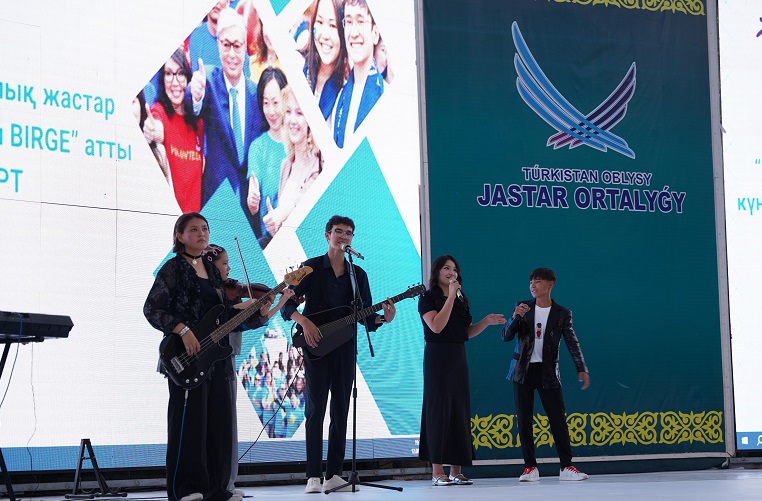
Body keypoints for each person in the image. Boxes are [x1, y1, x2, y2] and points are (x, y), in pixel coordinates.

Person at [143, 213, 272, 501]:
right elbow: (152, 309)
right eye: (194, 229)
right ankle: (186, 489)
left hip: (216, 359)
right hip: (186, 357)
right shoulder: (173, 269)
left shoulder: (212, 272)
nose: (201, 234)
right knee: (189, 425)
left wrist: (256, 314)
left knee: (218, 426)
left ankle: (216, 489)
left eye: (205, 229)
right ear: (180, 236)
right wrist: (182, 330)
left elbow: (224, 318)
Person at [281, 215, 396, 494]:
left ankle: (333, 474)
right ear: (327, 235)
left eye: (348, 233)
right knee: (315, 409)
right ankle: (312, 476)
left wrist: (384, 318)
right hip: (316, 346)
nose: (344, 236)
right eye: (338, 231)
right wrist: (304, 321)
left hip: (345, 346)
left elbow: (365, 317)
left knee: (341, 409)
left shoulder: (358, 275)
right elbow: (285, 304)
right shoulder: (310, 267)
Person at [204, 244, 294, 493]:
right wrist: (250, 307)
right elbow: (236, 319)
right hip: (209, 360)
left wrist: (271, 304)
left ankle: (224, 482)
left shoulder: (230, 291)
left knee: (225, 423)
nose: (229, 269)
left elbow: (252, 322)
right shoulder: (208, 294)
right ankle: (216, 483)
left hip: (226, 358)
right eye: (224, 264)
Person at [418, 255, 506, 486]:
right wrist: (449, 297)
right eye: (446, 268)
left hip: (458, 356)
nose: (451, 273)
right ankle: (437, 471)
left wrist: (485, 322)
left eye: (455, 269)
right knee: (439, 410)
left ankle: (456, 471)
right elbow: (437, 326)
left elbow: (465, 332)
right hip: (437, 356)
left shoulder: (461, 298)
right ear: (437, 272)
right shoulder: (427, 298)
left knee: (459, 410)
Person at [501, 268, 590, 482]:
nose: (533, 285)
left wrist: (581, 367)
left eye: (538, 281)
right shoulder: (522, 307)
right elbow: (505, 336)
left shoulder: (562, 313)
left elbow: (572, 341)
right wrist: (515, 317)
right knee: (524, 421)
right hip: (522, 371)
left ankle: (566, 466)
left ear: (551, 284)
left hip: (548, 372)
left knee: (558, 419)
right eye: (531, 282)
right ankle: (530, 467)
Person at [189, 7, 264, 213]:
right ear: (218, 45)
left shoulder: (256, 93)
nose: (231, 54)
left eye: (237, 46)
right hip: (217, 198)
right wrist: (195, 94)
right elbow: (191, 104)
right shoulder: (209, 81)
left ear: (245, 48)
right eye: (226, 45)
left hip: (248, 203)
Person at [144, 48, 205, 213]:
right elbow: (156, 127)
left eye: (180, 73)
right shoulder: (159, 112)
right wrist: (151, 130)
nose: (175, 82)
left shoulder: (198, 123)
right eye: (169, 74)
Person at [260, 86, 322, 242]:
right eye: (288, 112)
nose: (292, 120)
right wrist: (275, 228)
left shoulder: (318, 165)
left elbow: (306, 202)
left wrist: (283, 212)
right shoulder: (286, 165)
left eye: (299, 113)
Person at [332, 0, 384, 148]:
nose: (354, 33)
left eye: (360, 21)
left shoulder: (384, 92)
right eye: (348, 22)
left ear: (375, 33)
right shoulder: (340, 96)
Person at [245, 67, 288, 241]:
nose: (271, 111)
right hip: (270, 240)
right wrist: (252, 200)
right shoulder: (258, 147)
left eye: (276, 103)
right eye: (265, 103)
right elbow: (253, 202)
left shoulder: (299, 142)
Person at [303, 0, 347, 120]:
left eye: (333, 25)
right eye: (320, 22)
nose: (325, 35)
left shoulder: (346, 90)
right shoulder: (299, 64)